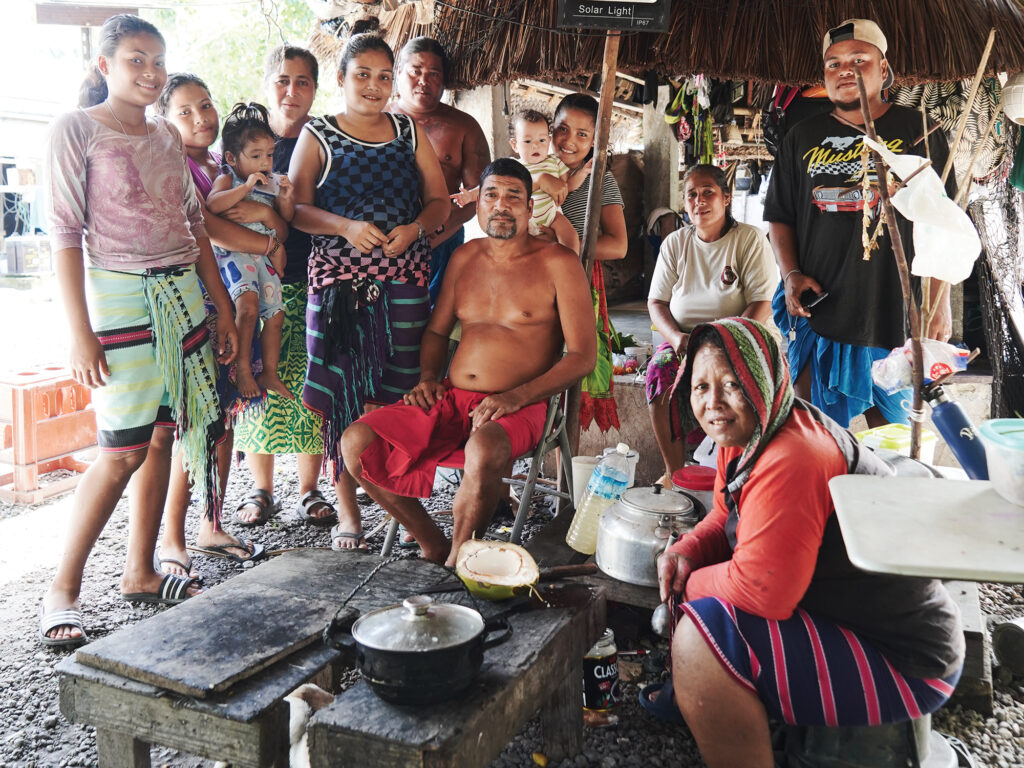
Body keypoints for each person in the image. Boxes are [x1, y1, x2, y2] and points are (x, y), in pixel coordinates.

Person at [650, 317, 963, 767]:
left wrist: (689, 586)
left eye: (731, 384)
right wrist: (688, 550)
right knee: (704, 613)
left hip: (909, 662)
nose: (713, 402)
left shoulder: (793, 454)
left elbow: (764, 590)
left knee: (701, 636)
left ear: (761, 381)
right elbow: (723, 513)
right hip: (850, 621)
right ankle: (711, 703)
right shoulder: (746, 433)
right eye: (700, 387)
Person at [40, 14, 239, 646]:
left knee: (165, 434)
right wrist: (79, 332)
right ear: (104, 66)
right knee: (121, 447)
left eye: (157, 60)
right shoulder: (75, 130)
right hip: (121, 296)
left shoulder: (164, 137)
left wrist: (224, 308)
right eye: (135, 60)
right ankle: (61, 591)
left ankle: (141, 571)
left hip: (183, 294)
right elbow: (66, 236)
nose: (150, 73)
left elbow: (195, 226)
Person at [340, 158, 597, 566]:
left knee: (483, 447)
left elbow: (584, 356)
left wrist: (517, 396)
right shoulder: (464, 258)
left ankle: (460, 560)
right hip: (453, 398)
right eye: (491, 195)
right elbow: (438, 332)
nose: (500, 205)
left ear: (531, 208)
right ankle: (432, 542)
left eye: (514, 197)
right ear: (478, 206)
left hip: (522, 405)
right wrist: (428, 378)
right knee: (355, 443)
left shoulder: (558, 263)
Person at [289, 31, 450, 550]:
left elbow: (439, 201)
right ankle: (349, 512)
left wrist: (417, 229)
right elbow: (296, 209)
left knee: (394, 398)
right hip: (340, 290)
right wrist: (344, 227)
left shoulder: (408, 132)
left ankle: (401, 509)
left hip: (404, 285)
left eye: (385, 77)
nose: (375, 86)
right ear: (341, 79)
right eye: (363, 75)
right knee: (343, 398)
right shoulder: (318, 135)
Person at [764, 18, 956, 429]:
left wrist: (939, 305)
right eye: (833, 64)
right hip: (823, 314)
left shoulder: (920, 130)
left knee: (899, 445)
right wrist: (791, 273)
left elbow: (945, 223)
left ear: (883, 70)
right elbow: (780, 216)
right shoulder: (801, 136)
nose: (844, 70)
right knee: (816, 437)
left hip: (897, 314)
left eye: (858, 59)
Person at [150, 73, 269, 579]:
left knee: (225, 420)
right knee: (194, 425)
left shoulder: (224, 163)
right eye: (184, 111)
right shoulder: (171, 164)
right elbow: (209, 226)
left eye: (205, 105)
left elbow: (265, 216)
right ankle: (173, 538)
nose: (200, 118)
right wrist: (266, 243)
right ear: (164, 119)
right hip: (199, 306)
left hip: (233, 301)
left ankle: (211, 523)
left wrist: (263, 230)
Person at [233, 46, 336, 529]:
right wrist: (269, 218)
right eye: (282, 80)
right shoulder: (243, 141)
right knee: (257, 378)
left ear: (316, 89)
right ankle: (261, 489)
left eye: (302, 82)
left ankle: (310, 489)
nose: (291, 91)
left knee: (306, 381)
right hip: (252, 282)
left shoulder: (327, 140)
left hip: (311, 279)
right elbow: (219, 208)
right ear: (266, 82)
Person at [646, 165, 777, 485]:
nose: (699, 200)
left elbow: (762, 301)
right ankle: (674, 473)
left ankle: (740, 472)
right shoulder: (675, 244)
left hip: (743, 336)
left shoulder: (749, 239)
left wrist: (722, 342)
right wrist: (676, 337)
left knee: (736, 379)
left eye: (708, 193)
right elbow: (656, 303)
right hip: (687, 339)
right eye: (691, 194)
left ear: (726, 198)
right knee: (659, 369)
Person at [389, 36, 490, 304]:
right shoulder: (374, 120)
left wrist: (433, 230)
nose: (424, 80)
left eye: (434, 74)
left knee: (435, 324)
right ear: (398, 72)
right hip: (383, 242)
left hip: (442, 239)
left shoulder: (464, 126)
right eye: (416, 71)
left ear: (444, 81)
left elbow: (480, 193)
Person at [549, 93, 628, 431]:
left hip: (576, 283)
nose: (569, 141)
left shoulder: (601, 181)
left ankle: (560, 465)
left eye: (583, 134)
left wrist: (569, 247)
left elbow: (619, 245)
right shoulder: (528, 172)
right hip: (526, 281)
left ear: (595, 140)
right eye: (562, 129)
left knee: (567, 372)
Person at [205, 102, 294, 402]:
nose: (264, 163)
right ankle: (243, 367)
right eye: (255, 156)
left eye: (269, 155)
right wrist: (245, 189)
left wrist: (285, 198)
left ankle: (268, 370)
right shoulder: (229, 177)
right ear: (232, 157)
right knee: (248, 307)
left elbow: (284, 224)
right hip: (236, 255)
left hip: (265, 258)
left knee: (276, 314)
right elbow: (213, 205)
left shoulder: (270, 182)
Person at [453, 109, 579, 252]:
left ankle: (573, 264)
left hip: (552, 215)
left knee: (570, 236)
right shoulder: (512, 167)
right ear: (514, 145)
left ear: (549, 141)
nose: (535, 145)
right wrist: (469, 195)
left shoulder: (554, 162)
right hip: (523, 219)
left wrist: (584, 172)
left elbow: (565, 185)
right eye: (527, 141)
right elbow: (490, 187)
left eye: (542, 140)